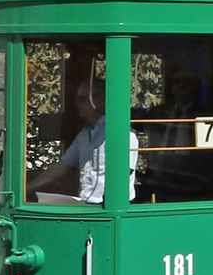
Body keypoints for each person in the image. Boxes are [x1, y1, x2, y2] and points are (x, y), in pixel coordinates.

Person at [32, 75, 138, 204]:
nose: (77, 105)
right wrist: (28, 187)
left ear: (98, 100)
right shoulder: (85, 134)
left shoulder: (122, 134)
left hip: (106, 208)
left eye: (82, 99)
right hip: (85, 204)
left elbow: (122, 176)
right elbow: (62, 166)